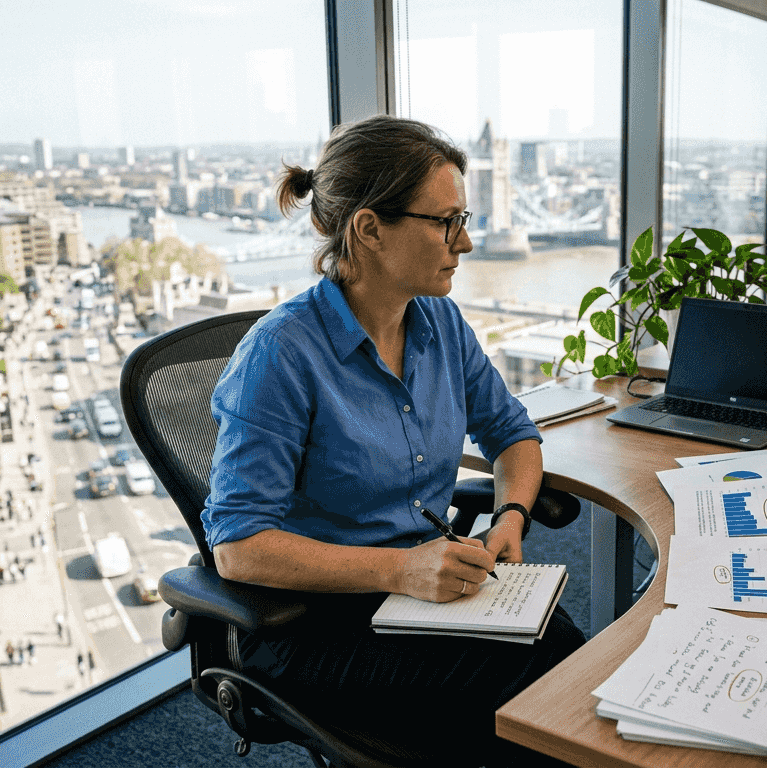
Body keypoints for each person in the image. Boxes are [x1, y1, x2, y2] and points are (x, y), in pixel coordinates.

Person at [202, 115, 584, 768]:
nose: (463, 243)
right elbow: (237, 549)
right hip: (311, 622)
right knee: (537, 705)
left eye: (463, 219)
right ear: (370, 229)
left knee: (574, 663)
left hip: (423, 590)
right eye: (445, 222)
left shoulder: (439, 320)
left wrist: (511, 515)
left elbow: (513, 434)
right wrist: (400, 568)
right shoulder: (281, 356)